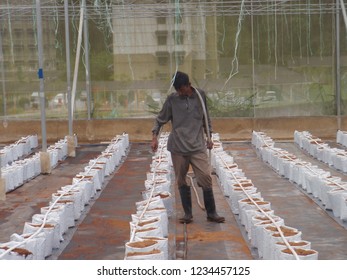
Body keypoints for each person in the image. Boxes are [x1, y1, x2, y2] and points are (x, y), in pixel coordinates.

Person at [151, 71, 225, 224]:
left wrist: (209, 136)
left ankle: (212, 213)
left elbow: (206, 117)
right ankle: (187, 214)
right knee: (181, 180)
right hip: (178, 147)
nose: (179, 92)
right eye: (177, 90)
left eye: (181, 89)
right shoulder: (172, 100)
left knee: (205, 177)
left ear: (188, 85)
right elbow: (160, 119)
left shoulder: (200, 96)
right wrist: (154, 137)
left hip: (197, 145)